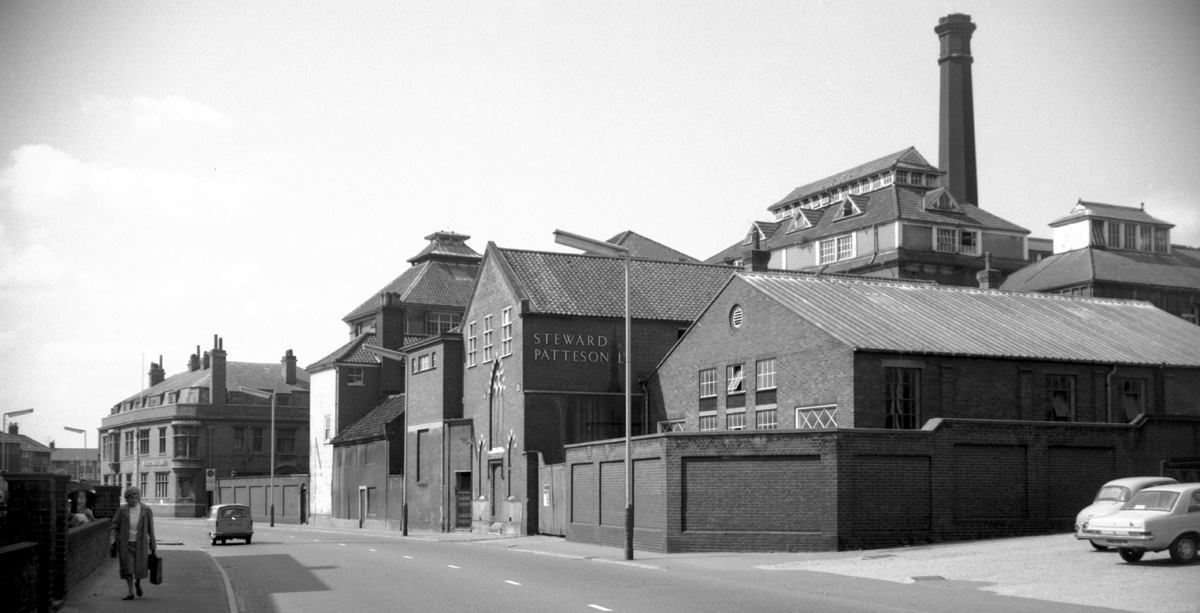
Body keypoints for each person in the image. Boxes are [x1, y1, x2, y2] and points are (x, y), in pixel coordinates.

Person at [110, 487, 156, 600]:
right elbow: (114, 525)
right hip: (126, 543)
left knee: (139, 567)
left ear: (139, 498)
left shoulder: (146, 510)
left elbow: (151, 528)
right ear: (127, 498)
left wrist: (153, 545)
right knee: (128, 568)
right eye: (131, 497)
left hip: (141, 543)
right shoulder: (122, 510)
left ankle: (138, 583)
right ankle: (130, 592)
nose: (134, 500)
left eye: (136, 497)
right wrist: (113, 539)